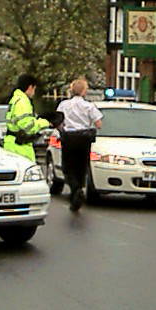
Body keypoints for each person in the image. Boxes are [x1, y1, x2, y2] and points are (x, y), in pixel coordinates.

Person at [56, 78, 103, 212]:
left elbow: (58, 121)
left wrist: (62, 129)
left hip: (69, 138)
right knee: (81, 167)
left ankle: (75, 189)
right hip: (83, 139)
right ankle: (79, 189)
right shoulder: (89, 106)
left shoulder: (64, 105)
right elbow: (99, 124)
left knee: (68, 167)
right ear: (84, 91)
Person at [3, 74, 53, 163]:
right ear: (30, 87)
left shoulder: (15, 99)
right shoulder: (23, 102)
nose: (34, 92)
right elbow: (28, 126)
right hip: (21, 148)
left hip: (11, 143)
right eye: (34, 89)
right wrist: (45, 123)